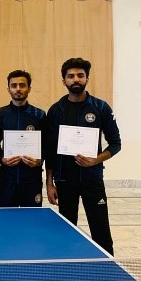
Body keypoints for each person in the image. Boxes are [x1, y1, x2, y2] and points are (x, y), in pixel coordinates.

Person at [45, 58, 121, 255]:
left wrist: (96, 159)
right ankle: (66, 268)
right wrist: (50, 183)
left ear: (87, 78)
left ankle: (107, 271)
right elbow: (50, 150)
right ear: (64, 81)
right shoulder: (55, 110)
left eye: (80, 75)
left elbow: (116, 144)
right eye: (71, 76)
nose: (75, 79)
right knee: (66, 231)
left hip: (92, 180)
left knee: (101, 231)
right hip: (64, 181)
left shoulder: (101, 107)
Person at [0, 70, 47, 207]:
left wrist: (39, 160)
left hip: (32, 181)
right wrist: (2, 158)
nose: (18, 89)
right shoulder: (0, 114)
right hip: (7, 180)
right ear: (8, 89)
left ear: (29, 88)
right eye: (14, 85)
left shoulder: (39, 114)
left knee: (31, 223)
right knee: (7, 222)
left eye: (22, 85)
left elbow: (46, 145)